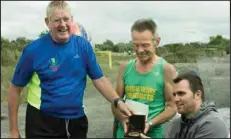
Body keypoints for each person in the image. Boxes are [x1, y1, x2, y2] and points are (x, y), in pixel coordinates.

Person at [8, 1, 133, 138]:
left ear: (72, 20)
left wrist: (118, 101)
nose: (62, 24)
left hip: (76, 121)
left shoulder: (83, 47)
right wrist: (14, 131)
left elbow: (100, 80)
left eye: (66, 19)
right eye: (56, 20)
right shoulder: (33, 51)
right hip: (42, 123)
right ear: (47, 22)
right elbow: (15, 89)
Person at [111, 18, 177, 138]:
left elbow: (172, 107)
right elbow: (115, 102)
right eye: (136, 45)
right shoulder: (125, 67)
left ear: (157, 41)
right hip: (124, 133)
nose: (140, 50)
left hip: (151, 134)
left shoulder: (166, 69)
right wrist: (122, 120)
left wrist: (150, 123)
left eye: (145, 45)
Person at [166, 71, 230, 138]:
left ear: (197, 95)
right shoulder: (176, 124)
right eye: (174, 94)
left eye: (181, 93)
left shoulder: (213, 125)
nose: (175, 99)